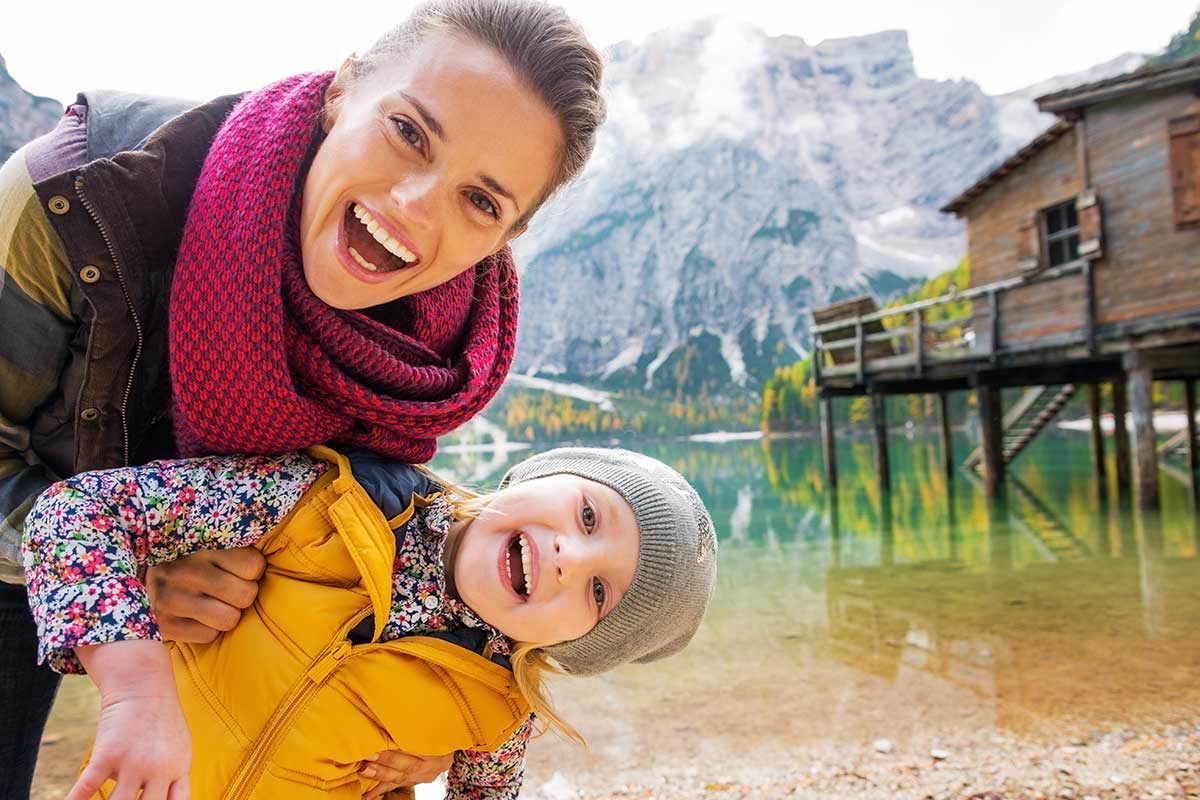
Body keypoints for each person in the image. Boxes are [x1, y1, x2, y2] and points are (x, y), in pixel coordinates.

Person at [0, 0, 606, 794]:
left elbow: (357, 540)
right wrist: (136, 586)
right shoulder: (78, 203)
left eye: (482, 201)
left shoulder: (440, 358)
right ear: (343, 89)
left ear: (506, 239)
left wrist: (430, 731)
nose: (416, 205)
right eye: (410, 132)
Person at [22, 445, 719, 799]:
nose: (571, 556)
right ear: (534, 476)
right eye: (591, 515)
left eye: (600, 594)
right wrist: (135, 691)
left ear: (576, 644)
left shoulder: (498, 713)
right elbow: (78, 513)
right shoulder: (323, 503)